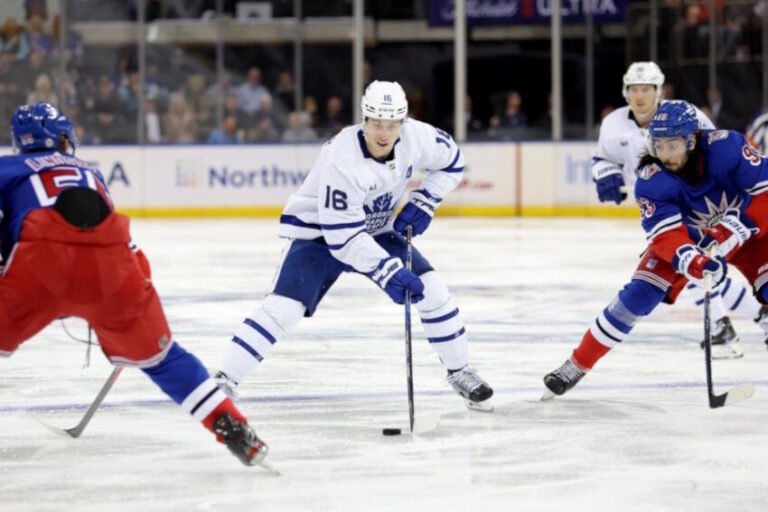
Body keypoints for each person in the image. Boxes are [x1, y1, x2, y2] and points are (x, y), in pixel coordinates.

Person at [0, 102, 267, 467]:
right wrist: (138, 295)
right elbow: (127, 247)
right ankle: (231, 423)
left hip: (39, 266)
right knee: (162, 357)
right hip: (112, 269)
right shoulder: (89, 172)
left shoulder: (6, 169)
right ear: (61, 139)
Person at [215, 81, 494, 411]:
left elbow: (452, 161)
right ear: (364, 119)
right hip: (321, 234)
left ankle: (461, 370)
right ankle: (223, 380)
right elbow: (343, 238)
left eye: (391, 124)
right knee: (285, 308)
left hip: (376, 230)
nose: (383, 133)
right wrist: (388, 272)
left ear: (403, 122)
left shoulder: (417, 136)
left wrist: (425, 200)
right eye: (376, 123)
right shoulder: (341, 158)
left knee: (432, 289)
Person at [543, 100, 768, 397]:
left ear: (691, 139)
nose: (664, 154)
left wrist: (735, 228)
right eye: (657, 145)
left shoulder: (727, 148)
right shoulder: (651, 179)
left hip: (750, 229)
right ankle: (577, 364)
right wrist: (692, 260)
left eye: (672, 145)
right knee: (637, 296)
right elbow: (665, 236)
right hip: (691, 238)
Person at [592, 61, 767, 359]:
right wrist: (605, 174)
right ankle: (744, 321)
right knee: (697, 269)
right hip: (661, 209)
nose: (640, 95)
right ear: (626, 92)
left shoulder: (686, 113)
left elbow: (710, 156)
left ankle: (723, 326)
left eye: (646, 88)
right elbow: (602, 159)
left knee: (697, 267)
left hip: (700, 209)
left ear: (658, 91)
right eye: (634, 89)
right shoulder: (613, 124)